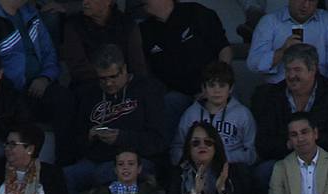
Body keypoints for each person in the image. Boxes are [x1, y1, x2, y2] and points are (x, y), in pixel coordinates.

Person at [64, 43, 166, 194]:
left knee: (105, 173)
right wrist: (89, 136)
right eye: (102, 78)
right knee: (65, 176)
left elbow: (158, 141)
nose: (108, 83)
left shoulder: (147, 89)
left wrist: (121, 137)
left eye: (113, 76)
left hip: (136, 161)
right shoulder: (90, 94)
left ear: (124, 69)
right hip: (97, 158)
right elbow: (76, 140)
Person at [0, 0, 73, 165]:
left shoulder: (30, 14)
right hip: (6, 92)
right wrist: (12, 88)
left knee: (63, 99)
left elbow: (49, 52)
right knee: (18, 112)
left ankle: (65, 165)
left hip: (37, 86)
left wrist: (45, 77)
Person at [252, 44, 328, 194]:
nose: (291, 76)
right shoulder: (272, 96)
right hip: (284, 159)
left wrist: (309, 144)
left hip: (323, 161)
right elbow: (263, 144)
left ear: (313, 70)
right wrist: (290, 144)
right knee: (263, 173)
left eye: (297, 70)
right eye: (288, 70)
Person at [140, 0, 232, 140]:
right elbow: (145, 72)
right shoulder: (145, 29)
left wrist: (217, 83)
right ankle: (169, 152)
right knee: (165, 103)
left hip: (212, 86)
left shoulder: (196, 13)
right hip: (176, 94)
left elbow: (224, 49)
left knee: (224, 103)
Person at [171, 61, 257, 169]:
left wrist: (223, 159)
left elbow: (251, 152)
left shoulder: (243, 114)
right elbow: (177, 147)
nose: (217, 90)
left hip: (231, 168)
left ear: (231, 88)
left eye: (222, 85)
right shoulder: (191, 114)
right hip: (197, 168)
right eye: (212, 85)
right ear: (204, 88)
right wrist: (191, 160)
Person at [247, 0, 328, 87]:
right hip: (279, 89)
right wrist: (282, 51)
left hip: (319, 90)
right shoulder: (269, 21)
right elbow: (254, 63)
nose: (305, 5)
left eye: (312, 1)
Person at [63, 0, 147, 86]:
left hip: (126, 84)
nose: (85, 2)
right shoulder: (74, 26)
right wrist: (106, 78)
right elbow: (77, 66)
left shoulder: (127, 24)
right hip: (89, 85)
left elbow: (137, 65)